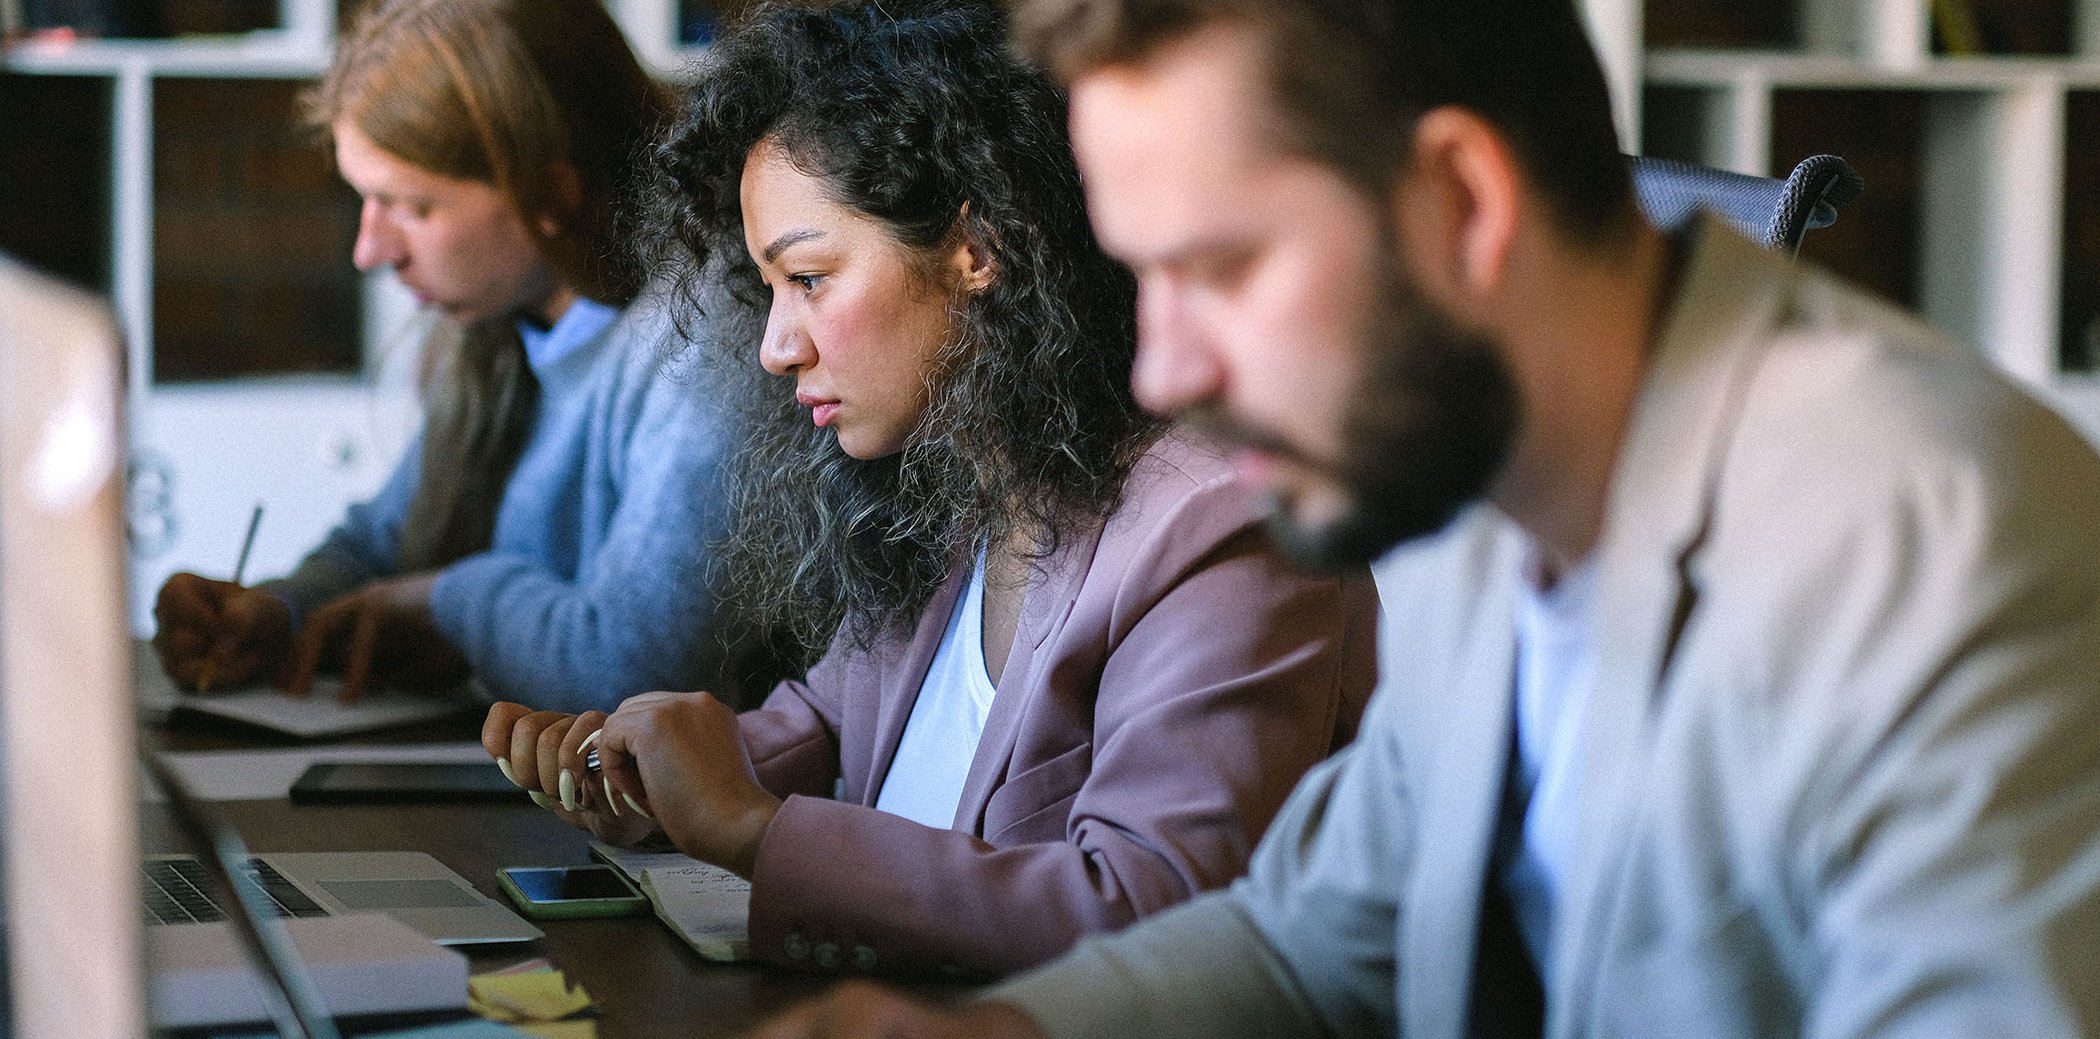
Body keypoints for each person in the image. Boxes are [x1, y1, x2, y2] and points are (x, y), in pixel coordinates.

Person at [744, 0, 2100, 1035]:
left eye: (1215, 266)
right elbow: (1315, 929)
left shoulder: (1935, 541)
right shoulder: (1463, 486)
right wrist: (1006, 1028)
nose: (1162, 369)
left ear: (1462, 202)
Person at [483, 0, 1376, 980]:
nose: (778, 347)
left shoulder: (1221, 525)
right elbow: (826, 729)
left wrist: (750, 830)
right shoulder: (959, 486)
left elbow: (1155, 911)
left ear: (978, 247)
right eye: (768, 290)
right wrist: (644, 773)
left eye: (811, 277)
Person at [150, 0, 746, 712]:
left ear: (551, 193)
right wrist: (275, 613)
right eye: (366, 202)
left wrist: (446, 600)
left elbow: (635, 673)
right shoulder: (505, 324)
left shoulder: (699, 340)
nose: (370, 251)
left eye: (412, 206)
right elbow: (382, 545)